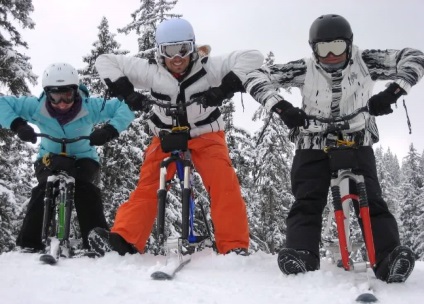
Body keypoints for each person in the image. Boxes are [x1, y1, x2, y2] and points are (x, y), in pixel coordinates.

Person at [246, 14, 424, 282]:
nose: (330, 56)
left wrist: (393, 92)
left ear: (350, 45)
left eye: (338, 47)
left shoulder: (366, 61)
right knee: (307, 199)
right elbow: (256, 77)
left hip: (356, 139)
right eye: (323, 49)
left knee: (371, 200)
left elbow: (415, 57)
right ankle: (301, 255)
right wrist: (281, 108)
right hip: (312, 141)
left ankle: (389, 259)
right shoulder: (304, 69)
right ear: (313, 49)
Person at [88, 18, 264, 256]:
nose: (177, 57)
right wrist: (128, 93)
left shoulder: (208, 68)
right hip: (165, 137)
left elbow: (254, 56)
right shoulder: (152, 71)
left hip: (206, 135)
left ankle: (233, 246)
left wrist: (223, 89)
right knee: (149, 184)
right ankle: (124, 240)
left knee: (223, 183)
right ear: (160, 51)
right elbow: (105, 61)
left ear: (192, 47)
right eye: (169, 51)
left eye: (183, 49)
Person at [0, 63, 134, 253]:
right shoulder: (35, 107)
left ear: (76, 91)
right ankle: (29, 243)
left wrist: (109, 130)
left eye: (67, 96)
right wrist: (18, 125)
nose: (62, 102)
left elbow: (125, 105)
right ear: (47, 94)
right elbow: (2, 103)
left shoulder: (90, 107)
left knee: (85, 189)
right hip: (48, 157)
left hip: (83, 158)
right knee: (43, 189)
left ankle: (97, 241)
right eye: (55, 97)